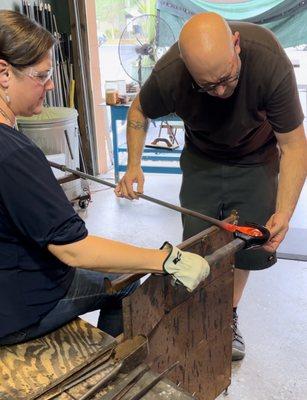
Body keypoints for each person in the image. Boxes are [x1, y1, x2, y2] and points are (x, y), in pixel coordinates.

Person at [0, 10, 210, 346]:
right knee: (123, 280)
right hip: (15, 310)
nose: (51, 84)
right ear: (4, 73)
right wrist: (165, 260)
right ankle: (112, 373)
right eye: (42, 75)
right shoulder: (14, 154)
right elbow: (76, 251)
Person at [115, 12, 307, 361]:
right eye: (207, 85)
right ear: (188, 70)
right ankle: (198, 313)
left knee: (248, 244)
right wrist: (132, 165)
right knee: (198, 243)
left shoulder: (268, 60)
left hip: (256, 157)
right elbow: (139, 112)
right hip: (202, 158)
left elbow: (294, 145)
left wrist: (284, 211)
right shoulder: (170, 73)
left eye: (226, 78)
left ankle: (227, 315)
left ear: (236, 44)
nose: (219, 91)